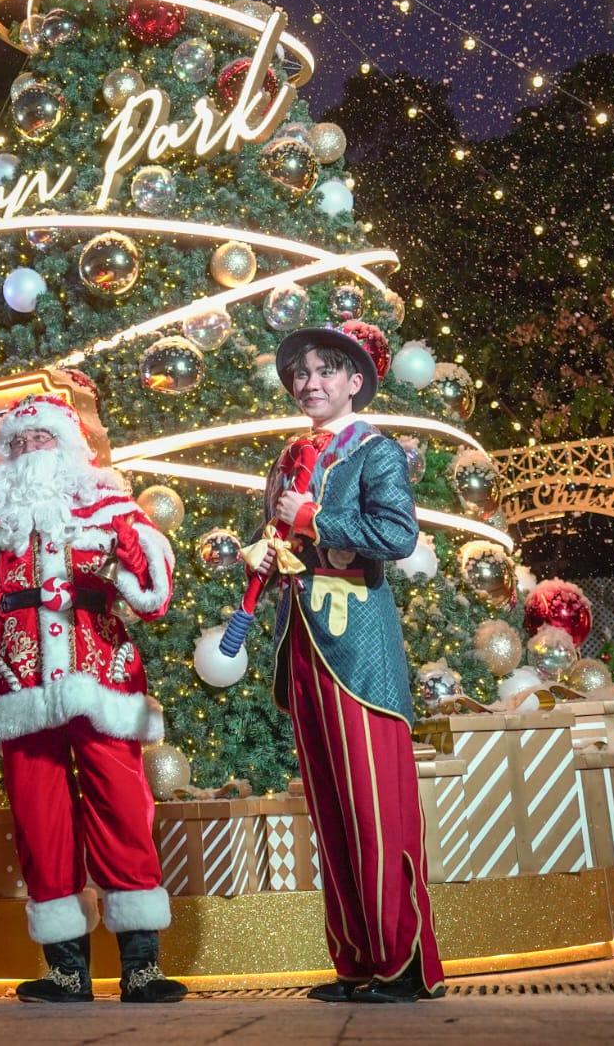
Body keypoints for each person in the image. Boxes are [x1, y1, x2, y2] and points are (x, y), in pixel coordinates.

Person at [0, 388, 185, 1004]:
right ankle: (65, 969)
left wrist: (134, 555)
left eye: (41, 438)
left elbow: (155, 598)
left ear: (69, 446)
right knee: (39, 821)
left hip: (100, 678)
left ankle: (140, 966)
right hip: (17, 683)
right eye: (17, 443)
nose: (29, 450)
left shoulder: (111, 506)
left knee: (122, 813)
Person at [249, 322, 446, 1003]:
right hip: (300, 641)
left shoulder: (374, 450)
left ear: (355, 380)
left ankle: (401, 961)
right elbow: (277, 535)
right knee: (331, 808)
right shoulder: (287, 455)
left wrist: (314, 518)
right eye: (300, 374)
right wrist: (268, 551)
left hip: (359, 647)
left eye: (325, 372)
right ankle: (357, 959)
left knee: (373, 805)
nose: (311, 384)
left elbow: (396, 534)